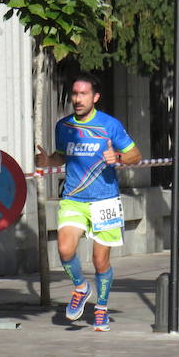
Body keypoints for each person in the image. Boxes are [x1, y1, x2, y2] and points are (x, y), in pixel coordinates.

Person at [35, 73, 142, 332]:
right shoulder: (64, 126)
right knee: (64, 250)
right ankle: (81, 288)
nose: (77, 99)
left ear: (95, 97)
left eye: (83, 94)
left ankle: (102, 307)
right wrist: (48, 162)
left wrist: (116, 156)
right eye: (74, 94)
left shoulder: (109, 125)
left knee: (100, 260)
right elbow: (62, 155)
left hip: (104, 200)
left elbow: (135, 156)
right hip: (73, 198)